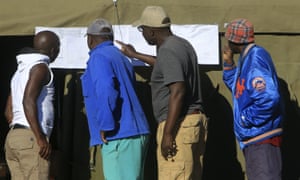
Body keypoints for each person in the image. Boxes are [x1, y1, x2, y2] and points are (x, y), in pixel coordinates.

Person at [117, 6, 209, 180]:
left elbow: (178, 91)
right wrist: (135, 54)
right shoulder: (181, 45)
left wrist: (168, 134)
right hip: (193, 123)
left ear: (152, 32)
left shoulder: (168, 50)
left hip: (178, 126)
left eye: (142, 29)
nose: (142, 33)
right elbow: (162, 65)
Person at [81, 18, 150, 180]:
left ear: (90, 39)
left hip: (120, 135)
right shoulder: (121, 58)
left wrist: (105, 124)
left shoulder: (98, 57)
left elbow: (106, 89)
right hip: (134, 132)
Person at [222, 18, 284, 180]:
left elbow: (269, 99)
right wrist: (229, 65)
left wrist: (244, 118)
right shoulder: (246, 58)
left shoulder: (255, 59)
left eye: (228, 38)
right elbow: (240, 91)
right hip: (255, 141)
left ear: (234, 40)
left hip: (262, 140)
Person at [4, 31, 60, 180]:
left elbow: (8, 111)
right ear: (54, 50)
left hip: (13, 137)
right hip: (31, 137)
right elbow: (28, 101)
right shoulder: (40, 68)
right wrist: (40, 137)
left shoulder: (20, 71)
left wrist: (18, 130)